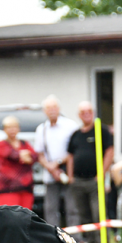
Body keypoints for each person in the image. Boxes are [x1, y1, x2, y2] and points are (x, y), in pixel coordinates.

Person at [66, 101, 114, 243]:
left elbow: (109, 152)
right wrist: (70, 176)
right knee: (84, 216)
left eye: (89, 111)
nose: (87, 114)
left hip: (94, 181)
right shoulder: (76, 134)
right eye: (83, 112)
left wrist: (101, 174)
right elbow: (70, 156)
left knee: (98, 213)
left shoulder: (102, 130)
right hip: (78, 182)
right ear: (79, 115)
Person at [34, 94, 79, 227]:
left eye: (54, 107)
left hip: (68, 172)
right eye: (48, 108)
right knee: (50, 209)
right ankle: (53, 237)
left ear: (59, 108)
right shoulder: (41, 129)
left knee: (72, 208)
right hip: (50, 175)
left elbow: (75, 151)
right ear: (44, 111)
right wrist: (50, 167)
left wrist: (58, 163)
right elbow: (40, 154)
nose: (52, 110)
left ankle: (75, 238)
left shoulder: (70, 125)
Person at [0, 115, 37, 209]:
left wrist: (27, 156)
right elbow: (12, 154)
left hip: (25, 188)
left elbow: (35, 156)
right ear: (4, 129)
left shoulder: (25, 143)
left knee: (25, 217)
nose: (12, 130)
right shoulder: (2, 144)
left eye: (14, 127)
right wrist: (24, 155)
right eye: (9, 127)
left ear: (18, 128)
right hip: (6, 189)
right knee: (9, 218)